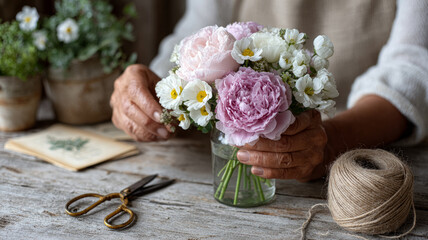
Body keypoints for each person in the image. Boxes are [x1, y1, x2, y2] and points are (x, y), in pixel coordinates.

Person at [110, 0, 428, 182]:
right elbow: (200, 29)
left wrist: (329, 143)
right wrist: (157, 87)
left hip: (365, 153)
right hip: (237, 151)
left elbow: (413, 65)